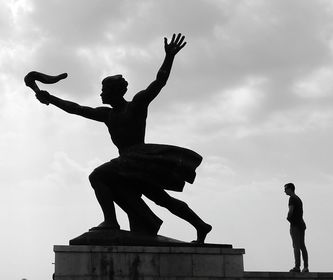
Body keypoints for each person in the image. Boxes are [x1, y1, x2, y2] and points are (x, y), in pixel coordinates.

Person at [33, 33, 212, 243]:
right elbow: (77, 109)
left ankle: (110, 222)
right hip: (129, 163)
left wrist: (169, 56)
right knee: (161, 199)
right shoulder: (107, 114)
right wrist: (50, 98)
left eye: (103, 90)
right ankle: (200, 225)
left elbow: (159, 82)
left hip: (137, 158)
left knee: (97, 176)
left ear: (114, 92)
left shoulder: (136, 105)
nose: (100, 94)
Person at [284, 183, 309, 272]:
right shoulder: (298, 198)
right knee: (302, 246)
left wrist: (288, 218)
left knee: (296, 246)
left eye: (286, 189)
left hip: (295, 225)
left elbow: (291, 211)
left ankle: (297, 267)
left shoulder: (292, 199)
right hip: (301, 224)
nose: (284, 191)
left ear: (290, 189)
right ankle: (305, 267)